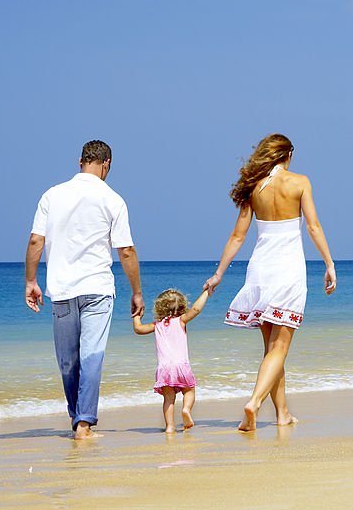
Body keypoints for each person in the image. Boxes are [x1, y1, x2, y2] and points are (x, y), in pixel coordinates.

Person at [203, 134, 336, 432]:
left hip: (260, 272)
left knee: (272, 351)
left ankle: (283, 414)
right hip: (287, 272)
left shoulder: (253, 188)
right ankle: (254, 403)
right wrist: (329, 264)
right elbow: (313, 226)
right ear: (288, 155)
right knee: (280, 348)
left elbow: (237, 237)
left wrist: (219, 274)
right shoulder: (300, 182)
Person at [24, 140, 145, 440]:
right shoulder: (113, 199)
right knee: (92, 355)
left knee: (68, 360)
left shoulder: (52, 195)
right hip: (97, 288)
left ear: (80, 161)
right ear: (107, 165)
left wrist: (30, 282)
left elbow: (36, 241)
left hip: (62, 288)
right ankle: (84, 424)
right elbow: (126, 250)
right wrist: (137, 292)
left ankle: (75, 415)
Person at [132, 288, 209, 433]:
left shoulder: (156, 326)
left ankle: (170, 427)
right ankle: (186, 409)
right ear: (182, 307)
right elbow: (196, 309)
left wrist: (136, 314)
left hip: (164, 369)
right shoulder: (181, 321)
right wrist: (206, 293)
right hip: (181, 366)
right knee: (189, 390)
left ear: (159, 308)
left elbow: (138, 329)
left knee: (168, 398)